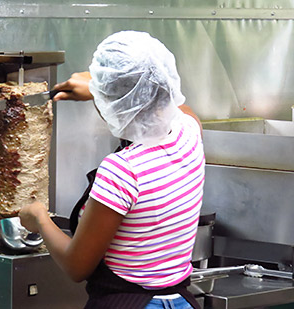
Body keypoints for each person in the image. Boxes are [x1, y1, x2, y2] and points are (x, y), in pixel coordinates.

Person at [19, 31, 205, 309]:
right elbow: (176, 107)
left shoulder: (123, 171)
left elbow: (76, 266)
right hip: (180, 302)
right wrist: (102, 88)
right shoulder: (188, 134)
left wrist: (39, 219)